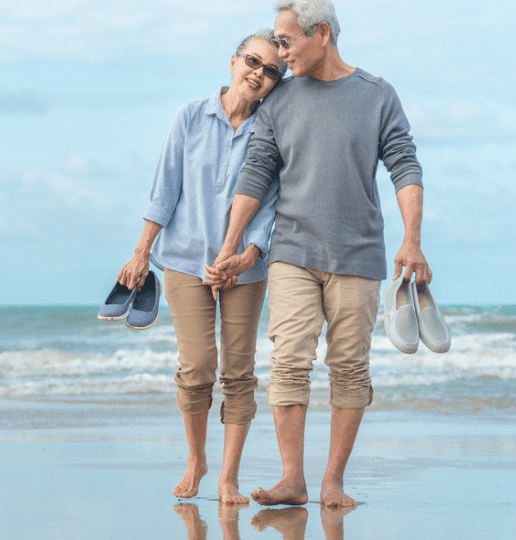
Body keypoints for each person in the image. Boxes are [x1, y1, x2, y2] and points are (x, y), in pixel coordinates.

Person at [206, 0, 432, 508]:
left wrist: (412, 240)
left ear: (322, 33)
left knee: (350, 368)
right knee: (288, 363)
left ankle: (332, 483)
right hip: (291, 251)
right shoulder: (280, 101)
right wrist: (231, 245)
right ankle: (293, 480)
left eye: (286, 43)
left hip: (358, 255)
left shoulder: (376, 95)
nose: (279, 55)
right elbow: (256, 173)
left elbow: (405, 166)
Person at [116, 30, 286, 505]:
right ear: (232, 62)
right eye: (253, 61)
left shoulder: (271, 130)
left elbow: (271, 202)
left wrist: (249, 253)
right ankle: (196, 460)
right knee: (195, 368)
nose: (260, 73)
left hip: (245, 269)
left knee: (239, 371)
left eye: (272, 70)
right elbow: (164, 189)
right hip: (186, 263)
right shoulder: (189, 116)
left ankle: (228, 478)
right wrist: (140, 251)